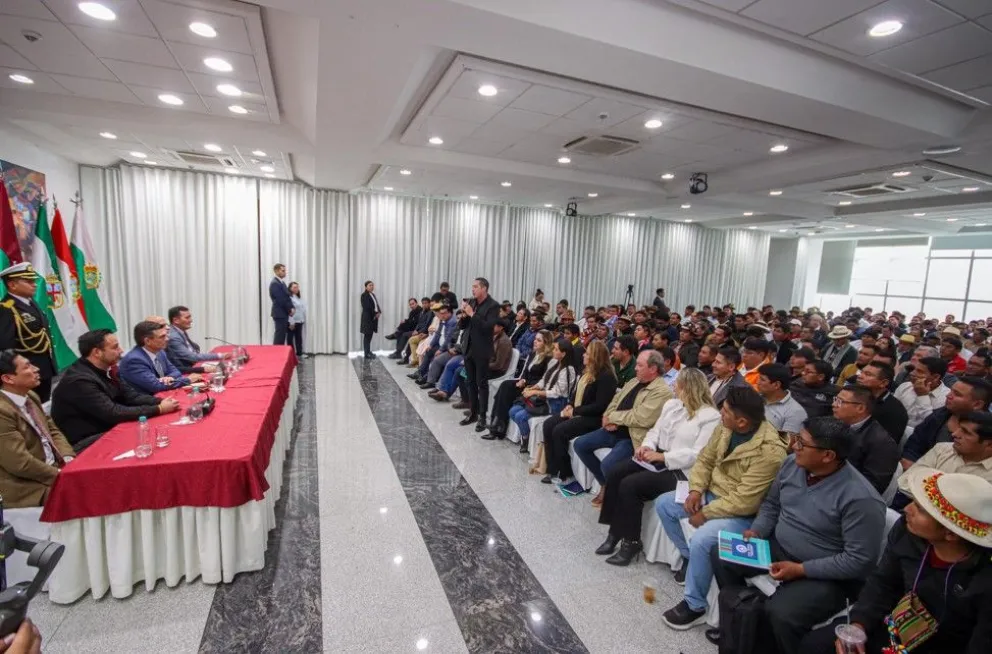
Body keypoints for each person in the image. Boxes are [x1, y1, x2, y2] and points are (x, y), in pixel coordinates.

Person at [708, 417, 885, 653]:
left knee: (782, 613)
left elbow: (859, 561)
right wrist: (758, 530)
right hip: (779, 548)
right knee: (722, 553)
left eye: (802, 443)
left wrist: (801, 569)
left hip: (826, 574)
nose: (793, 446)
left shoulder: (861, 499)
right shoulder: (793, 464)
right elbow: (772, 504)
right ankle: (741, 622)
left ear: (828, 456)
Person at [800, 467, 992, 654]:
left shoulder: (983, 579)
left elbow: (980, 644)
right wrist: (859, 624)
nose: (907, 509)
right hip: (893, 625)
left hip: (942, 646)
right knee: (815, 646)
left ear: (950, 534)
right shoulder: (907, 532)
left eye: (920, 509)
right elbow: (883, 583)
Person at [656, 386, 788, 629]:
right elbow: (705, 459)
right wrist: (696, 490)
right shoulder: (726, 426)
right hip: (710, 493)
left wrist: (705, 513)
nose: (720, 413)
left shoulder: (770, 452)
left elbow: (745, 501)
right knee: (664, 504)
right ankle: (689, 560)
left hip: (742, 513)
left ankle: (694, 605)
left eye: (725, 411)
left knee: (703, 538)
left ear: (742, 421)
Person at [595, 368, 720, 566]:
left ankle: (631, 542)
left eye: (677, 384)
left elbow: (698, 455)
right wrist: (647, 446)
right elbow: (655, 431)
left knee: (630, 485)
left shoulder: (710, 416)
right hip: (657, 457)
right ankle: (614, 533)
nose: (673, 387)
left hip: (680, 470)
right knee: (616, 472)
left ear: (688, 388)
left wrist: (663, 456)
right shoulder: (672, 404)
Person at [573, 350, 674, 506]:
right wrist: (607, 417)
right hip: (612, 429)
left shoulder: (662, 391)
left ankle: (612, 493)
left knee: (607, 464)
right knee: (580, 444)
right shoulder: (634, 381)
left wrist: (613, 418)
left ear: (653, 368)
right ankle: (604, 483)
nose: (635, 368)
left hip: (632, 436)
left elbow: (641, 417)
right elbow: (615, 400)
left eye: (640, 365)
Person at [52, 329, 179, 452]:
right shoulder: (80, 381)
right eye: (115, 347)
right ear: (97, 352)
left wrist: (161, 401)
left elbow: (132, 397)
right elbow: (113, 413)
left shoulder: (109, 369)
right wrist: (159, 409)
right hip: (87, 440)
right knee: (151, 440)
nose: (121, 351)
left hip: (109, 427)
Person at [0, 349, 74, 507]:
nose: (36, 369)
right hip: (28, 486)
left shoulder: (30, 396)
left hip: (55, 468)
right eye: (27, 367)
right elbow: (20, 464)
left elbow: (52, 430)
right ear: (8, 378)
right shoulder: (2, 411)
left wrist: (68, 458)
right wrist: (61, 475)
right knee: (88, 491)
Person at [541, 341, 618, 484]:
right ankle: (552, 468)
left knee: (559, 430)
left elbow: (600, 406)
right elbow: (575, 395)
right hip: (579, 412)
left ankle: (565, 473)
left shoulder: (606, 377)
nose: (583, 355)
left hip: (594, 418)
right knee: (548, 424)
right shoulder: (587, 372)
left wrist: (575, 411)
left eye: (587, 353)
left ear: (595, 357)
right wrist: (570, 406)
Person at [902, 376, 992, 468]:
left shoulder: (988, 431)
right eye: (951, 391)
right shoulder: (938, 416)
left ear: (977, 404)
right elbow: (915, 445)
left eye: (957, 394)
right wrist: (910, 461)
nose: (948, 395)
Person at [504, 339, 577, 448]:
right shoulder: (554, 362)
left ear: (564, 353)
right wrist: (532, 388)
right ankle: (525, 434)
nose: (553, 351)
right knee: (512, 411)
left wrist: (534, 392)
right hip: (543, 398)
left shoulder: (568, 370)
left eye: (556, 349)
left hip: (556, 403)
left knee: (520, 416)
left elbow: (556, 393)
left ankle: (525, 438)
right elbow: (544, 380)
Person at [483, 329, 551, 443]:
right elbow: (525, 373)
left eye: (539, 340)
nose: (535, 342)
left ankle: (498, 426)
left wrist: (529, 385)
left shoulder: (548, 359)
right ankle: (497, 425)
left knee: (505, 390)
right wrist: (523, 379)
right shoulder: (532, 353)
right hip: (525, 384)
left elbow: (545, 379)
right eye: (535, 339)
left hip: (534, 388)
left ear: (546, 343)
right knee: (505, 386)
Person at [0, 263, 56, 403]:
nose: (35, 285)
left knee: (43, 407)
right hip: (24, 374)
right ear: (12, 284)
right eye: (29, 281)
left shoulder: (31, 303)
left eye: (34, 281)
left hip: (43, 369)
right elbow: (6, 347)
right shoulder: (6, 308)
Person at [831, 385, 901, 495]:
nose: (834, 404)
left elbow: (871, 486)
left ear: (860, 408)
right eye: (835, 399)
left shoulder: (882, 443)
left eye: (840, 401)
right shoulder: (835, 423)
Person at [459, 279, 502, 430]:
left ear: (484, 288)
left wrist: (472, 314)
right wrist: (464, 316)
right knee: (470, 383)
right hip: (469, 348)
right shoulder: (472, 302)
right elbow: (463, 326)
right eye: (472, 286)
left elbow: (487, 327)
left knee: (481, 384)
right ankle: (473, 413)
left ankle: (483, 417)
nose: (473, 289)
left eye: (475, 287)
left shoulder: (493, 306)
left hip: (482, 350)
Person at [119, 321, 198, 394]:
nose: (167, 339)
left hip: (164, 395)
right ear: (147, 341)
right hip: (146, 402)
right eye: (162, 337)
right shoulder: (134, 360)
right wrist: (188, 380)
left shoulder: (160, 352)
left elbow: (176, 371)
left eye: (166, 335)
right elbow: (156, 386)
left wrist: (168, 378)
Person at [857, 361, 909, 443]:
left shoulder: (894, 411)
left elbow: (884, 444)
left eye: (868, 374)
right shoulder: (854, 394)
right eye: (861, 372)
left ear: (883, 383)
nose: (860, 376)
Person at [895, 356, 950, 430]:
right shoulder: (905, 386)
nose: (912, 373)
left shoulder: (946, 397)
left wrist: (922, 396)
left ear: (936, 377)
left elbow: (931, 425)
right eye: (914, 369)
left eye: (919, 371)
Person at [408, 305, 457, 386]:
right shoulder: (443, 319)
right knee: (428, 350)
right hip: (440, 345)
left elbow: (448, 339)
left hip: (447, 347)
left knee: (436, 358)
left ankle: (428, 379)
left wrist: (440, 350)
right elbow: (438, 334)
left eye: (444, 313)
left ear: (450, 312)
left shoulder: (453, 322)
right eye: (441, 313)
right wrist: (430, 345)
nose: (442, 315)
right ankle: (420, 372)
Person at [756, 362, 808, 438]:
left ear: (776, 385)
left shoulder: (795, 412)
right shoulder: (754, 397)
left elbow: (787, 443)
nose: (757, 382)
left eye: (762, 380)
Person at [165, 305, 226, 370]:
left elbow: (194, 350)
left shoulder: (179, 330)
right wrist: (219, 355)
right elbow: (191, 357)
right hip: (186, 370)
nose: (191, 320)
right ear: (176, 320)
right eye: (187, 318)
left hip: (193, 364)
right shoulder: (174, 336)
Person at [269, 263, 294, 346]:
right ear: (276, 271)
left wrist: (292, 307)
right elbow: (281, 300)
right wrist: (289, 310)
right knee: (279, 337)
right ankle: (275, 356)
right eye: (283, 270)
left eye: (285, 270)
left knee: (282, 336)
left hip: (283, 313)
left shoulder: (281, 283)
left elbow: (287, 297)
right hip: (279, 314)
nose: (285, 272)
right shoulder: (275, 283)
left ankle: (279, 355)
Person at [359, 280, 381, 359]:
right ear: (366, 287)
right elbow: (367, 307)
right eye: (370, 285)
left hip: (373, 318)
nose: (372, 287)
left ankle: (368, 351)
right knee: (367, 336)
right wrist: (375, 314)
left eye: (372, 285)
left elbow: (376, 305)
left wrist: (379, 312)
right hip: (367, 319)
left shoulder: (373, 295)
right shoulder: (364, 295)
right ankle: (366, 353)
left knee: (370, 335)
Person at [287, 282, 307, 358]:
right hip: (292, 321)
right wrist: (291, 321)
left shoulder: (297, 297)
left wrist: (302, 319)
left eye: (297, 287)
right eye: (294, 287)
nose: (296, 289)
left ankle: (299, 353)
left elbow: (301, 309)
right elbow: (289, 311)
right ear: (290, 288)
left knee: (299, 338)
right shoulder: (289, 298)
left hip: (300, 321)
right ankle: (291, 355)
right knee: (290, 339)